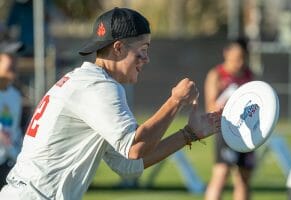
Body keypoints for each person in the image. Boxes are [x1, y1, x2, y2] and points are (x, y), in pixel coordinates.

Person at [0, 7, 221, 200]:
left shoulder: (88, 83)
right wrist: (175, 101)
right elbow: (135, 149)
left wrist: (189, 134)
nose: (147, 59)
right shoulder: (99, 86)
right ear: (118, 48)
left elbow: (128, 165)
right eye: (142, 50)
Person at [204, 39, 255, 200]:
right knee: (221, 173)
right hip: (226, 130)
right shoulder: (217, 74)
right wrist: (228, 99)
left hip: (247, 132)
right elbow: (210, 107)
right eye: (236, 58)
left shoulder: (249, 74)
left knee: (244, 177)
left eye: (243, 58)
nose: (239, 63)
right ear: (227, 53)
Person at [0, 29, 23, 189]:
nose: (14, 62)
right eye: (10, 56)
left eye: (16, 57)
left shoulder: (15, 96)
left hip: (8, 165)